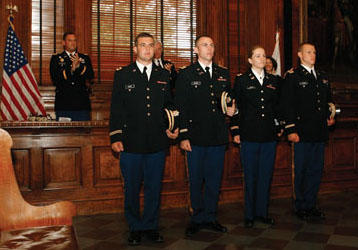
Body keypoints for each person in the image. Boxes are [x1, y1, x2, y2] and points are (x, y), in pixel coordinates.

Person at [109, 32, 178, 246]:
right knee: (131, 188)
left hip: (157, 141)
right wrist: (115, 136)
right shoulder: (123, 75)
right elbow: (116, 109)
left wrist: (172, 128)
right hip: (131, 142)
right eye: (143, 45)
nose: (147, 49)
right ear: (135, 49)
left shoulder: (164, 75)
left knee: (153, 187)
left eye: (150, 45)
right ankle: (135, 227)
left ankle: (150, 225)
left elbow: (171, 106)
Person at [175, 35, 236, 237]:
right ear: (195, 49)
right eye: (204, 45)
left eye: (211, 45)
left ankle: (210, 216)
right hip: (195, 136)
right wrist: (183, 136)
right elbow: (181, 106)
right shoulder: (186, 73)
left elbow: (228, 101)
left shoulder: (223, 73)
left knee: (214, 179)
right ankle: (196, 218)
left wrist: (232, 111)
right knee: (195, 179)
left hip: (217, 135)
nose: (209, 48)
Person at [281, 42, 336, 221]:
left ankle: (311, 204)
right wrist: (290, 129)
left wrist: (331, 115)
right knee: (302, 170)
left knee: (316, 170)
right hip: (301, 132)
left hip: (319, 131)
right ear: (299, 55)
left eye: (314, 52)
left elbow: (327, 102)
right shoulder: (293, 76)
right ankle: (300, 205)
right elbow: (287, 106)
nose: (312, 55)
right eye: (308, 52)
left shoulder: (322, 76)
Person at [230, 46, 282, 228]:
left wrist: (279, 127)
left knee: (265, 176)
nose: (262, 58)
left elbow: (278, 107)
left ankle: (262, 212)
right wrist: (235, 130)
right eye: (257, 56)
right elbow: (235, 107)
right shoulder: (242, 80)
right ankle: (249, 214)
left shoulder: (274, 80)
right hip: (249, 134)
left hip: (268, 135)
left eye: (264, 56)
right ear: (250, 60)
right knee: (250, 176)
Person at [50, 32, 94, 121]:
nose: (73, 43)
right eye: (69, 40)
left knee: (83, 133)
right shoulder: (56, 58)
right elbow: (55, 78)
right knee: (64, 133)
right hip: (64, 104)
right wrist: (71, 69)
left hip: (81, 104)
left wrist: (79, 67)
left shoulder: (84, 58)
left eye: (74, 41)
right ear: (63, 43)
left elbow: (91, 75)